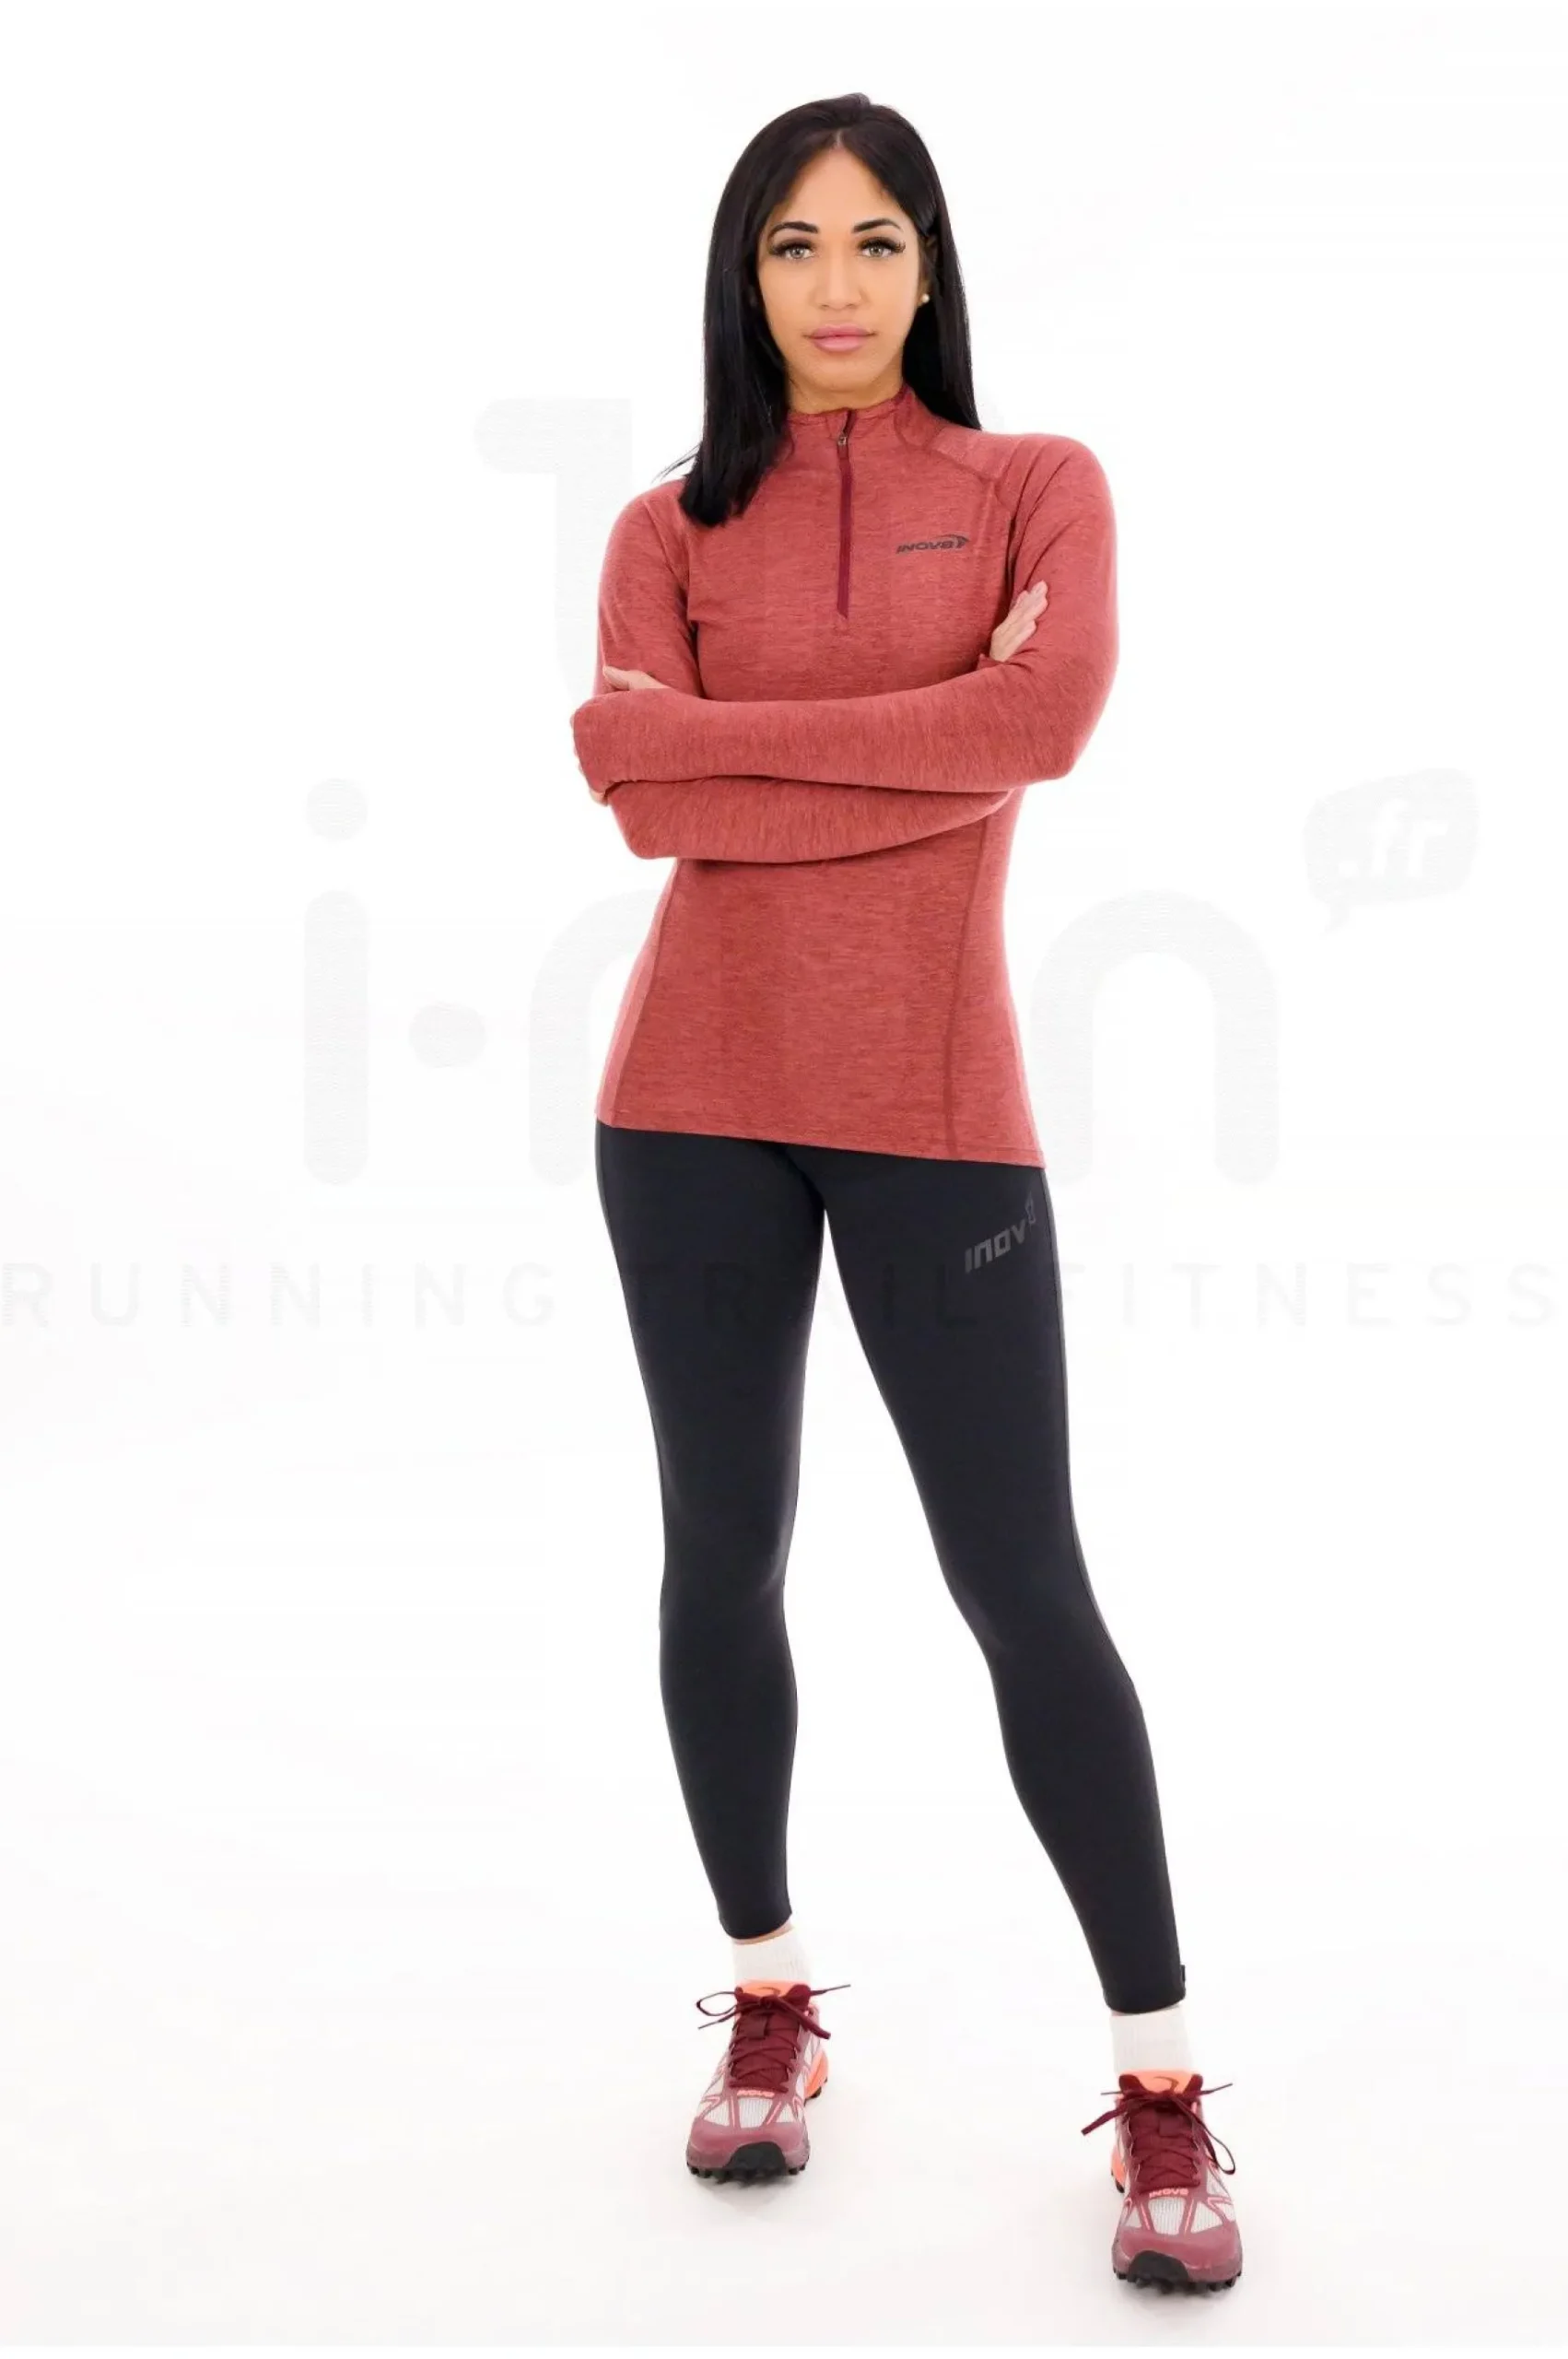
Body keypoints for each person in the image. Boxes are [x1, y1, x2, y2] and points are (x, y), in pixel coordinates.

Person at [569, 93, 1242, 2292]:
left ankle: (1157, 2081)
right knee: (720, 1553)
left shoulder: (1037, 483)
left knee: (1022, 1582)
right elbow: (629, 793)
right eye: (791, 245)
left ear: (929, 263)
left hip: (936, 1111)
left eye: (872, 240)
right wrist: (920, 726)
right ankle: (765, 1992)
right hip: (684, 1104)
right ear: (743, 277)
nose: (835, 283)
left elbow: (1038, 730)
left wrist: (724, 750)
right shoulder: (664, 522)